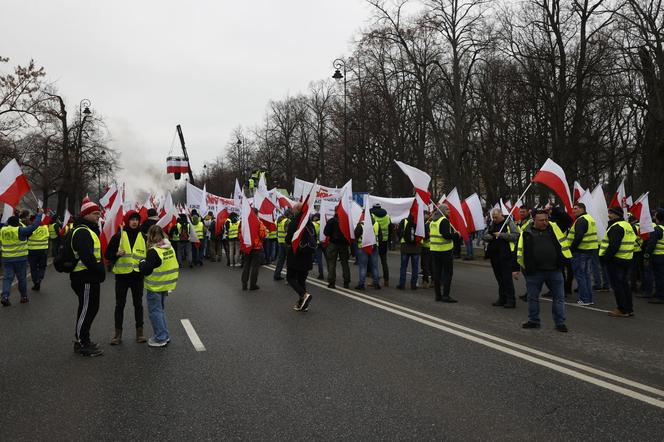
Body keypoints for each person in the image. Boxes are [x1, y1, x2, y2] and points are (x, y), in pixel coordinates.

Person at [515, 209, 571, 332]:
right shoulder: (526, 233)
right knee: (533, 297)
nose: (545, 222)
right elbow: (519, 250)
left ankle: (560, 323)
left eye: (546, 219)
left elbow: (568, 221)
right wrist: (516, 268)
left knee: (559, 298)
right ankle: (533, 321)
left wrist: (554, 209)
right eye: (541, 220)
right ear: (534, 220)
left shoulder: (554, 228)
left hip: (555, 270)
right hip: (535, 272)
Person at [104, 210, 147, 345]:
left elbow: (150, 254)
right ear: (127, 221)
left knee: (138, 305)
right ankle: (117, 334)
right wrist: (116, 253)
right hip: (122, 276)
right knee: (120, 305)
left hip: (137, 276)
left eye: (136, 219)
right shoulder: (119, 236)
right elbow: (107, 254)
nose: (134, 222)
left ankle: (140, 333)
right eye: (132, 219)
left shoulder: (144, 236)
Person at [70, 201, 106, 356]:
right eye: (95, 214)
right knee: (87, 309)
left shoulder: (88, 230)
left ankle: (84, 338)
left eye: (99, 213)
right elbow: (87, 256)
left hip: (88, 276)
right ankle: (82, 342)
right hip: (85, 276)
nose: (98, 216)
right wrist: (99, 270)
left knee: (89, 308)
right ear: (86, 214)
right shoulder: (83, 231)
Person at [139, 225, 179, 347]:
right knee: (160, 311)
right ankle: (164, 335)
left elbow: (145, 269)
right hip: (165, 284)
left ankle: (160, 338)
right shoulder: (169, 247)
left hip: (155, 286)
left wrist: (141, 262)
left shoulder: (153, 251)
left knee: (155, 312)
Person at [600, 207, 637, 318]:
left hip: (616, 260)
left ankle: (622, 309)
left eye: (610, 213)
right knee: (624, 284)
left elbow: (613, 246)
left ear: (616, 214)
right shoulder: (627, 225)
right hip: (627, 258)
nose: (608, 215)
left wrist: (605, 258)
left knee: (618, 286)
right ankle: (629, 308)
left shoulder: (616, 227)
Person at [1, 209, 43, 305]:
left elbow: (5, 223)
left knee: (7, 278)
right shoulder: (20, 230)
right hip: (20, 259)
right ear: (17, 224)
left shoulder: (2, 230)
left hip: (6, 259)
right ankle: (23, 297)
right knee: (21, 278)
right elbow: (33, 226)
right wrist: (39, 215)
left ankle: (5, 296)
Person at [483, 208, 519, 308]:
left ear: (501, 215)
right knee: (499, 279)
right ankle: (502, 298)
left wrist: (502, 235)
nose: (494, 219)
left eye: (496, 217)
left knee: (507, 279)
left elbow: (516, 235)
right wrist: (490, 237)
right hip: (494, 255)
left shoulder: (509, 223)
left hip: (506, 255)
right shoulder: (492, 224)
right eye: (493, 217)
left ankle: (511, 300)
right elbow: (485, 235)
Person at [285, 203, 315, 311]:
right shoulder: (309, 223)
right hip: (307, 255)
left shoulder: (295, 223)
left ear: (298, 210)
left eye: (293, 209)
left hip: (296, 255)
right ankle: (302, 304)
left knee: (290, 278)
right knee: (301, 280)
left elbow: (288, 240)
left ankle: (304, 295)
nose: (292, 211)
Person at [569, 203, 598, 306]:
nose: (573, 211)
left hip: (580, 252)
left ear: (582, 209)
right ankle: (588, 298)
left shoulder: (581, 220)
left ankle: (584, 299)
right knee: (586, 276)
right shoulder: (589, 218)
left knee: (581, 276)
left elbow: (578, 237)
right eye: (573, 209)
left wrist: (571, 249)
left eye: (576, 209)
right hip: (589, 250)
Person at [429, 204, 459, 302]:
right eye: (447, 209)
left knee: (437, 273)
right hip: (445, 250)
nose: (449, 211)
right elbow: (446, 235)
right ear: (442, 210)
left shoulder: (432, 221)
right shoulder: (444, 220)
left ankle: (438, 295)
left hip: (434, 250)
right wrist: (456, 235)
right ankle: (446, 295)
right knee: (448, 273)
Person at [239, 210, 267, 290]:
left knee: (246, 265)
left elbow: (240, 234)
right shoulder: (259, 223)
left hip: (247, 246)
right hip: (256, 247)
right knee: (255, 266)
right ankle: (252, 285)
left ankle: (244, 284)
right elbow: (263, 235)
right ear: (257, 213)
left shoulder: (245, 222)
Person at [324, 212, 351, 289]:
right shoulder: (346, 220)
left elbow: (326, 232)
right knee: (345, 263)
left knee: (332, 263)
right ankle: (346, 282)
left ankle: (331, 282)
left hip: (334, 244)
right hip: (344, 244)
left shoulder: (332, 221)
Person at [354, 217, 381, 290]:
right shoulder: (376, 224)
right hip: (374, 247)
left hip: (363, 247)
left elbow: (355, 235)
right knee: (375, 266)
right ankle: (376, 283)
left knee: (363, 267)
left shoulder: (361, 225)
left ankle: (361, 284)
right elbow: (380, 236)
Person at [644, 209, 664, 304]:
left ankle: (659, 296)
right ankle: (659, 294)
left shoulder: (657, 229)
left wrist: (647, 255)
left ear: (658, 218)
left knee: (658, 277)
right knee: (661, 276)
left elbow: (651, 244)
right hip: (662, 256)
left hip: (657, 257)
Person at [396, 214, 421, 290]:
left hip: (405, 247)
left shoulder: (404, 221)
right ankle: (413, 285)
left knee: (403, 267)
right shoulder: (418, 222)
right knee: (415, 268)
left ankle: (402, 284)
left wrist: (401, 238)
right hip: (416, 248)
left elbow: (398, 232)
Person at [27, 214, 50, 291]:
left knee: (33, 268)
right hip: (43, 250)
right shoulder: (45, 227)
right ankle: (39, 279)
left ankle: (36, 281)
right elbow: (47, 236)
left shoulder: (31, 228)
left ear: (32, 220)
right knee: (42, 267)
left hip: (32, 251)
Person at [371, 204, 391, 286]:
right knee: (384, 261)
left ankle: (374, 280)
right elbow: (391, 228)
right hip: (384, 241)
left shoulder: (372, 215)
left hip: (375, 241)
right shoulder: (387, 216)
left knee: (374, 262)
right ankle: (386, 281)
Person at [273, 210, 291, 280]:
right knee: (289, 260)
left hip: (280, 241)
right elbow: (288, 232)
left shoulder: (279, 221)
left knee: (281, 259)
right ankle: (289, 277)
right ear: (288, 214)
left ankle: (276, 274)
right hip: (286, 243)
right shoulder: (287, 221)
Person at [311, 213, 325, 280]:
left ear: (316, 217)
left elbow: (312, 234)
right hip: (324, 243)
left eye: (314, 217)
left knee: (319, 260)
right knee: (328, 260)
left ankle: (321, 274)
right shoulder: (324, 223)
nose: (313, 218)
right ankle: (331, 273)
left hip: (317, 244)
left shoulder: (314, 224)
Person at [420, 211, 432, 288]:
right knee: (431, 265)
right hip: (432, 247)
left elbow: (426, 236)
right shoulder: (431, 222)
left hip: (426, 247)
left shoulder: (426, 224)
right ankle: (433, 281)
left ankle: (425, 281)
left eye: (424, 215)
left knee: (425, 265)